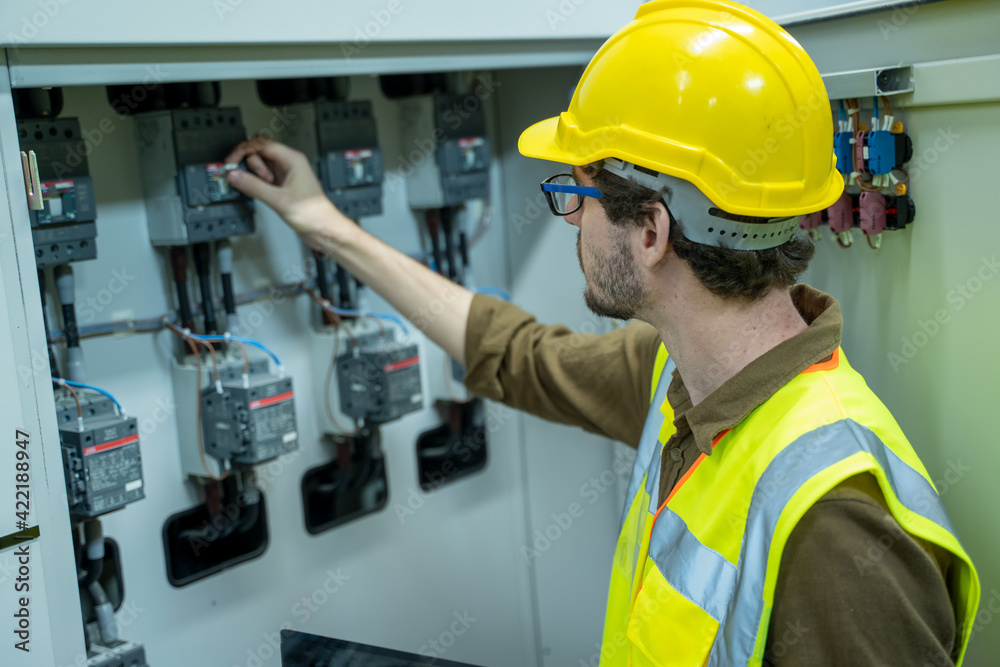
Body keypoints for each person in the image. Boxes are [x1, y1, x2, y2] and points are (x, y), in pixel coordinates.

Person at [224, 1, 979, 664]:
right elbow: (518, 355)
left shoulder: (833, 521)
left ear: (651, 229)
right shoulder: (677, 372)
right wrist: (322, 223)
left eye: (577, 196)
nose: (573, 220)